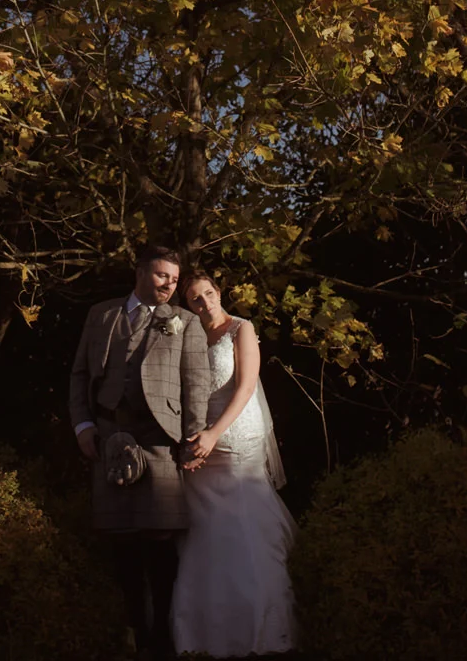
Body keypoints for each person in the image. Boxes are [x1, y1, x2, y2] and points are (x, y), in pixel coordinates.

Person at [68, 245, 212, 661]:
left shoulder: (185, 322)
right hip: (108, 437)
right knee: (122, 539)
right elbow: (79, 374)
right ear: (140, 272)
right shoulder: (101, 315)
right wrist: (83, 426)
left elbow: (196, 384)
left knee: (160, 537)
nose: (170, 284)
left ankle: (162, 633)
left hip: (160, 439)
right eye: (163, 275)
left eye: (174, 278)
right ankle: (135, 631)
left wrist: (191, 439)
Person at [169, 269, 298, 657]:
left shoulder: (241, 328)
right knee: (206, 532)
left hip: (238, 435)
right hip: (200, 444)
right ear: (187, 304)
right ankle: (204, 635)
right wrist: (193, 438)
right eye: (195, 298)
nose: (205, 302)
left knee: (242, 529)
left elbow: (245, 387)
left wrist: (215, 433)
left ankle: (260, 628)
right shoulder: (188, 334)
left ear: (219, 292)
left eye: (209, 293)